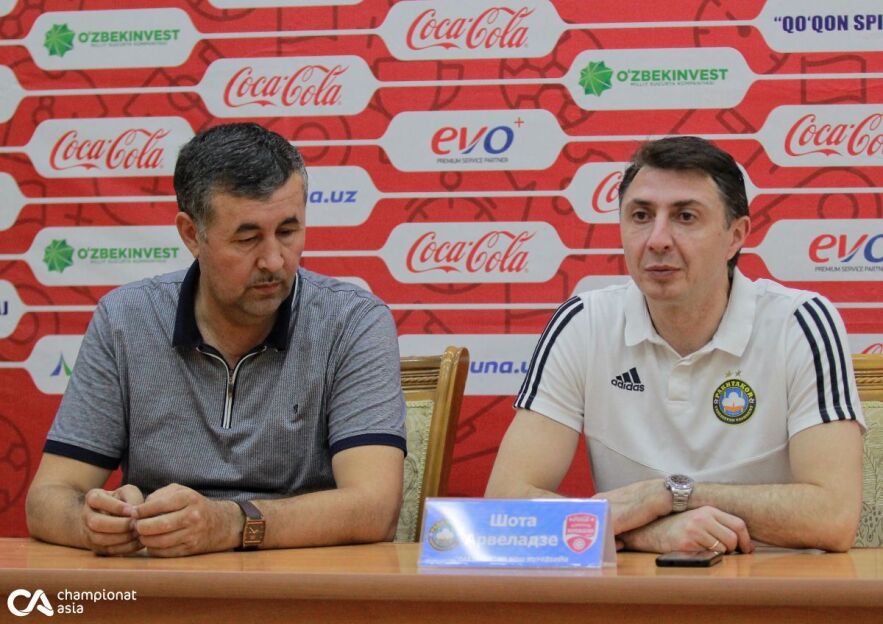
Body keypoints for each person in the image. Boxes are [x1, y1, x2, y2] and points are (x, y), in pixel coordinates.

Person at [26, 122, 406, 557]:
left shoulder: (352, 321)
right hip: (163, 577)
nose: (274, 260)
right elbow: (47, 498)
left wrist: (230, 523)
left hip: (299, 576)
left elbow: (375, 508)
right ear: (192, 234)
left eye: (287, 231)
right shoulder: (125, 319)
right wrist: (92, 522)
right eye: (247, 238)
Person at [486, 136, 865, 553]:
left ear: (736, 235)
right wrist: (645, 532)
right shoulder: (583, 323)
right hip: (636, 586)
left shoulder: (800, 322)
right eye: (641, 216)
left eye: (685, 216)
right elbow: (505, 507)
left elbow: (833, 517)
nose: (657, 240)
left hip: (774, 584)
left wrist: (672, 494)